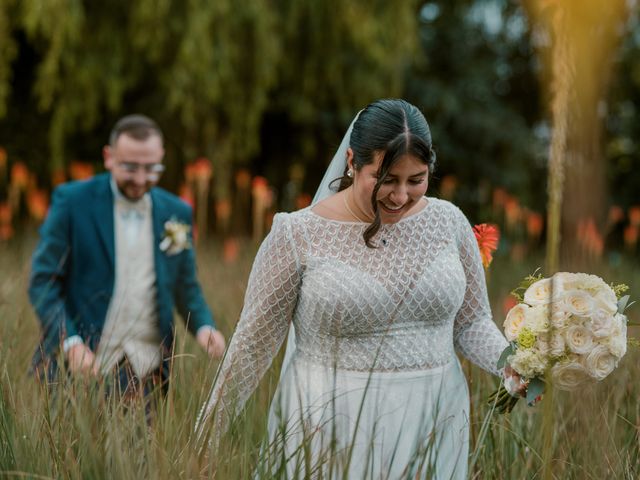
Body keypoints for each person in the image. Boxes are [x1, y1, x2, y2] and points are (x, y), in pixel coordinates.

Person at [196, 99, 522, 478]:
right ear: (352, 161)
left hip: (434, 416)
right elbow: (252, 346)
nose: (400, 196)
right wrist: (205, 441)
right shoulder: (297, 234)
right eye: (386, 180)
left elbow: (470, 322)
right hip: (331, 424)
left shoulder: (449, 223)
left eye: (416, 180)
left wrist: (512, 364)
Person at [29, 114, 225, 398]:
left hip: (147, 372)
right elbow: (43, 283)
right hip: (79, 369)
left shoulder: (177, 212)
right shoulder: (72, 202)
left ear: (162, 158)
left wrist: (204, 326)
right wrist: (70, 342)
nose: (141, 179)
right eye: (130, 167)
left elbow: (185, 284)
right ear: (109, 157)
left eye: (152, 168)